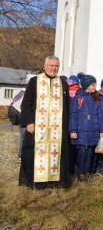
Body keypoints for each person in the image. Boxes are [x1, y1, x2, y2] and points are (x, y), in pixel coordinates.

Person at [19, 56, 72, 189]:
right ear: (45, 66)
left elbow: (67, 106)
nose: (54, 68)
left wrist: (67, 127)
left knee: (57, 154)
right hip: (38, 127)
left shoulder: (63, 83)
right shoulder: (35, 81)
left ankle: (56, 182)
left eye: (57, 66)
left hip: (57, 128)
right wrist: (29, 122)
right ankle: (37, 182)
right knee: (36, 153)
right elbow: (26, 103)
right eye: (52, 65)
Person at [69, 75, 103, 182]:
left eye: (95, 84)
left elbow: (100, 115)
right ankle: (80, 172)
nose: (95, 87)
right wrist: (73, 130)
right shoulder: (78, 98)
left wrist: (102, 130)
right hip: (81, 131)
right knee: (82, 153)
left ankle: (88, 172)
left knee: (90, 153)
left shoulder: (97, 98)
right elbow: (73, 115)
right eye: (93, 85)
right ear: (86, 85)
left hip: (93, 131)